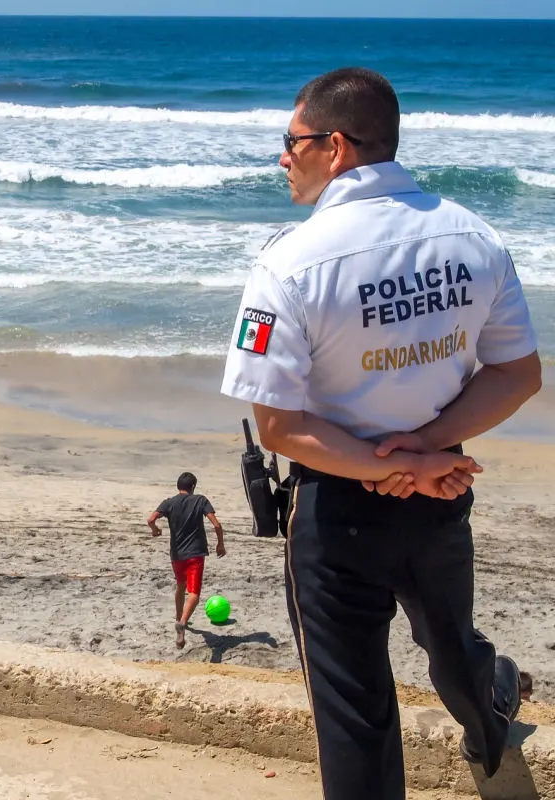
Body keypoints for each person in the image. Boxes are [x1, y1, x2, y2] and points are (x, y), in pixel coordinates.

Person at [221, 67, 541, 800]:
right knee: (453, 645)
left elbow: (278, 426)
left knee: (354, 712)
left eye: (290, 142)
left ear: (334, 146)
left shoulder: (288, 262)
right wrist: (425, 451)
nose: (282, 158)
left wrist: (377, 463)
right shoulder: (474, 235)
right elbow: (517, 375)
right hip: (441, 490)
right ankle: (490, 731)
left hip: (336, 512)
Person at [148, 472, 226, 649]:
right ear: (193, 487)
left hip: (176, 555)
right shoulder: (200, 500)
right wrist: (220, 544)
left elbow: (151, 519)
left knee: (180, 585)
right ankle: (182, 622)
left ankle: (178, 617)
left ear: (178, 487)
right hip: (195, 554)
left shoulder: (169, 502)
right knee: (194, 594)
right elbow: (216, 525)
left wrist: (155, 530)